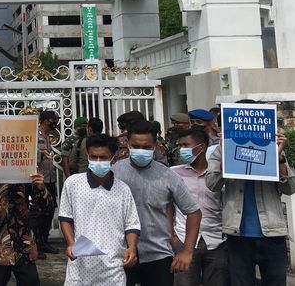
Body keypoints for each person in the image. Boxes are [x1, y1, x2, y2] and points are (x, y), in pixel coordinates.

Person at [205, 105, 295, 286]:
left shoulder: (272, 149)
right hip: (238, 234)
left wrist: (278, 157)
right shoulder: (220, 151)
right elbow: (212, 184)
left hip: (272, 233)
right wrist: (227, 153)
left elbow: (291, 187)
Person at [113, 120, 202, 286]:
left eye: (146, 147)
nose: (141, 151)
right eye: (135, 146)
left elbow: (194, 212)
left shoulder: (168, 176)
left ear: (155, 146)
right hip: (120, 255)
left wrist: (187, 251)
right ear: (128, 145)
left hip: (158, 256)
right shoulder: (115, 172)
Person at [59, 134, 140, 285]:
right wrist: (70, 243)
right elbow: (65, 218)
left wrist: (132, 248)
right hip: (80, 268)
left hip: (113, 268)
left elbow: (132, 224)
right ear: (88, 156)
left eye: (103, 157)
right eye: (93, 157)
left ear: (113, 158)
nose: (98, 161)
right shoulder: (73, 183)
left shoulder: (123, 189)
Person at [170, 128, 227, 286]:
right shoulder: (174, 174)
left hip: (216, 240)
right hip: (183, 239)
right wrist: (172, 236)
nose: (181, 150)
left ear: (201, 147)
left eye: (185, 145)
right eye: (180, 145)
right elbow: (167, 206)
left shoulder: (219, 175)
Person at [0, 151, 48, 285]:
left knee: (30, 281)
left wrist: (40, 186)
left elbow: (44, 206)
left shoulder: (27, 161)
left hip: (24, 242)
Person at [32, 111, 59, 257]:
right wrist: (41, 155)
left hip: (50, 179)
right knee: (39, 212)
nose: (55, 122)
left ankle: (44, 240)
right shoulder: (36, 135)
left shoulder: (47, 136)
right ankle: (37, 244)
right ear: (45, 121)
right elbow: (32, 157)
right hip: (40, 180)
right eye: (53, 120)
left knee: (49, 209)